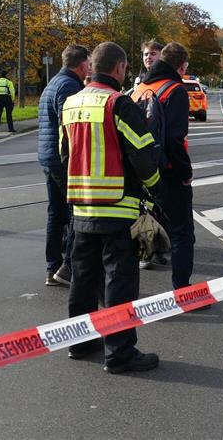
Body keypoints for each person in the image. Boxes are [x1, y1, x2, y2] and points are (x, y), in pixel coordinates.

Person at [61, 42, 162, 373]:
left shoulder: (71, 103)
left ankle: (79, 341)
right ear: (119, 68)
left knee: (83, 279)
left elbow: (65, 155)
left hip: (81, 209)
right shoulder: (120, 104)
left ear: (91, 67)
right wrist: (155, 189)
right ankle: (119, 353)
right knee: (118, 282)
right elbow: (144, 158)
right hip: (118, 208)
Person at [130, 42, 195, 287]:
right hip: (167, 173)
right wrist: (184, 173)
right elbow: (175, 140)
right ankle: (182, 290)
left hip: (140, 172)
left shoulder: (141, 88)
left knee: (139, 226)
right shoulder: (175, 90)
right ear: (181, 66)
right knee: (182, 233)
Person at [38, 44, 90, 287]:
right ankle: (67, 267)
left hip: (48, 156)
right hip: (61, 160)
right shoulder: (69, 86)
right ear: (81, 65)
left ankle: (52, 267)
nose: (90, 68)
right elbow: (69, 126)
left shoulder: (53, 83)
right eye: (88, 64)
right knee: (73, 213)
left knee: (55, 213)